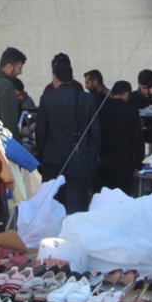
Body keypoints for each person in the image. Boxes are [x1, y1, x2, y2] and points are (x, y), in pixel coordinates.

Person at [36, 59, 100, 214]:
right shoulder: (87, 99)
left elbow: (41, 132)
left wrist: (40, 155)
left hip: (52, 159)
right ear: (72, 79)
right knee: (77, 204)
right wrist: (92, 154)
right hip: (79, 158)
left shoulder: (47, 99)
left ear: (55, 78)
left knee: (53, 205)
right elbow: (96, 132)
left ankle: (54, 236)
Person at [97, 80, 143, 194]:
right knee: (122, 195)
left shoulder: (100, 109)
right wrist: (138, 164)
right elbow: (137, 140)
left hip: (103, 160)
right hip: (124, 162)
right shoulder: (132, 111)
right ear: (127, 94)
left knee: (105, 194)